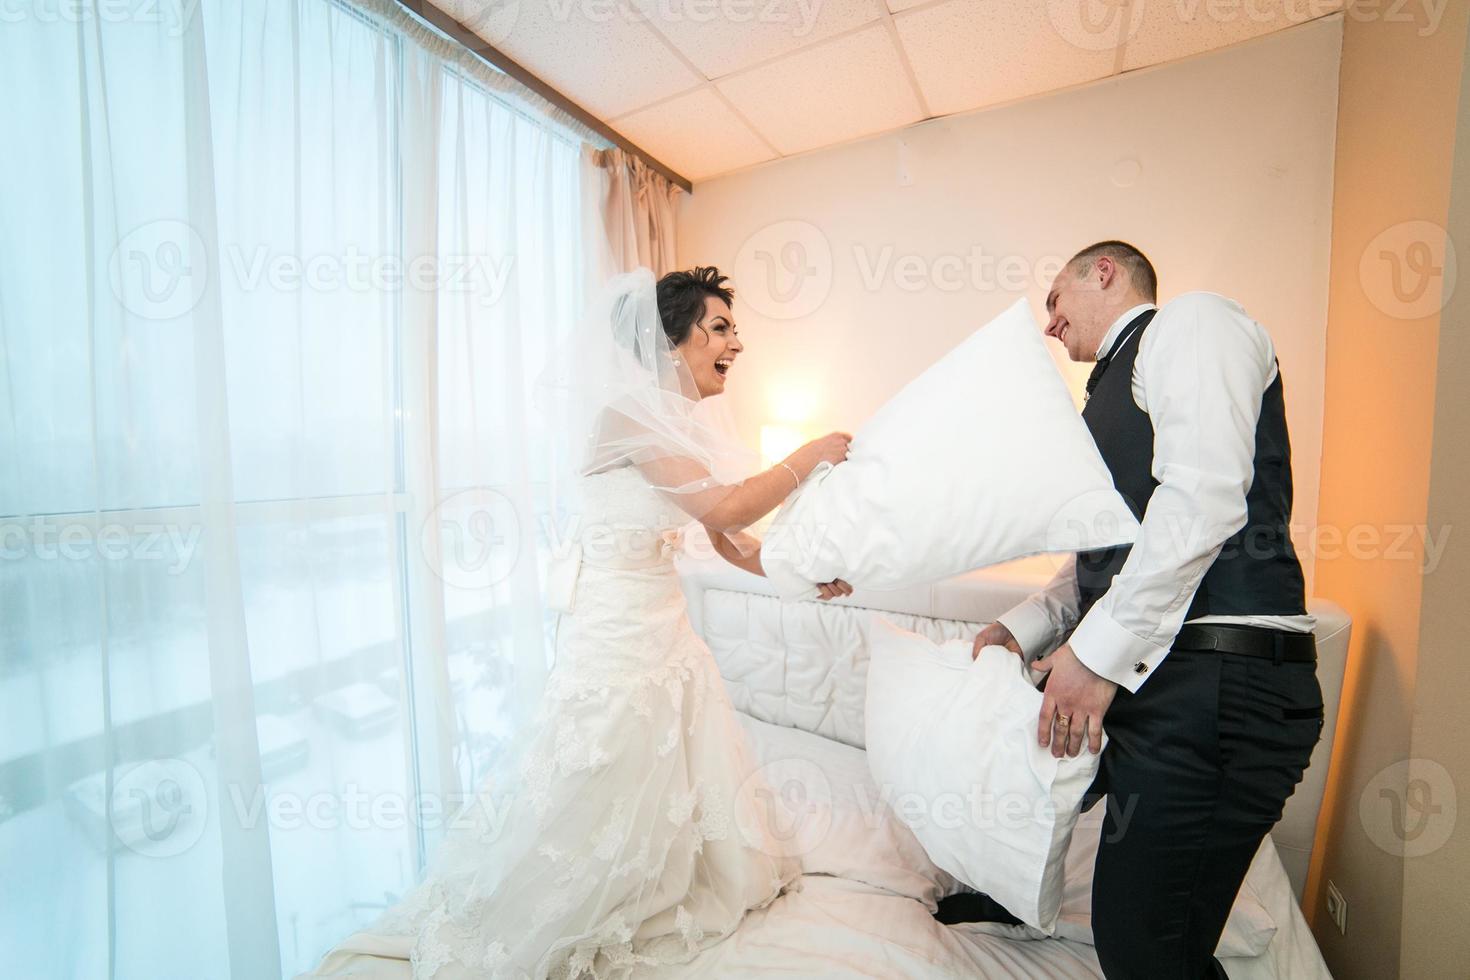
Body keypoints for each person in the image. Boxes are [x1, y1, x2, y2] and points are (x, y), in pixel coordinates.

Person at [304, 266, 852, 979]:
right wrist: (807, 457)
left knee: (674, 771)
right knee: (595, 771)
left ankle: (657, 872)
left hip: (664, 624)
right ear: (670, 341)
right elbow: (725, 509)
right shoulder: (627, 415)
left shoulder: (680, 424)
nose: (735, 345)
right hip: (615, 631)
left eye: (734, 330)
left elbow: (723, 538)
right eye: (719, 328)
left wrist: (797, 576)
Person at [960, 242, 1323, 978]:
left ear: (1105, 273)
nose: (1051, 326)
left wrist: (1092, 660)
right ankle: (1006, 891)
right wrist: (1024, 626)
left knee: (1142, 950)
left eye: (1056, 301)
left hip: (1220, 682)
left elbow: (1202, 500)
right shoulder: (1105, 397)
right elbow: (1107, 551)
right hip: (1171, 683)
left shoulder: (1192, 325)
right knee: (1149, 938)